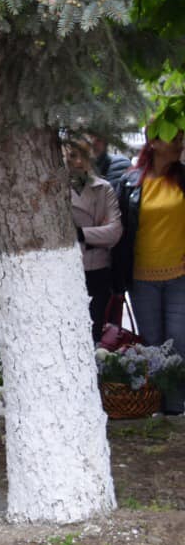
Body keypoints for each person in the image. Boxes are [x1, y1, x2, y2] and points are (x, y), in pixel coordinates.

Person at [116, 125, 185, 414]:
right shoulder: (130, 182)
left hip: (180, 277)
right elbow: (121, 232)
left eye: (181, 138)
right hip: (142, 278)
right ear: (153, 142)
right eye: (174, 138)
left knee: (179, 341)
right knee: (152, 345)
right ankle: (155, 406)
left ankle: (176, 408)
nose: (180, 143)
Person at [66, 137, 122, 338]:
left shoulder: (104, 188)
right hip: (67, 270)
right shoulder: (54, 190)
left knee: (94, 333)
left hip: (97, 271)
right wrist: (97, 233)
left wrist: (79, 233)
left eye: (84, 155)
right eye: (73, 155)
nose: (79, 162)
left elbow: (115, 232)